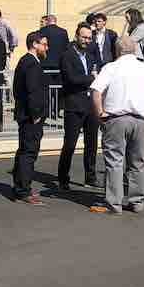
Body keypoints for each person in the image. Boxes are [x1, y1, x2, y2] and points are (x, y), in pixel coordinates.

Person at [90, 36, 144, 214]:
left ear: (117, 50)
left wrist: (100, 113)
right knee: (138, 162)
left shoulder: (110, 68)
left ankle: (114, 203)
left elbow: (96, 91)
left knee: (114, 162)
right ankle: (137, 201)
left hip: (116, 119)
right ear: (134, 50)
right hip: (140, 120)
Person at [57, 23, 99, 190]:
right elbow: (71, 79)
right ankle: (63, 178)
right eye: (84, 37)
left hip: (90, 106)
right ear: (76, 36)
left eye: (89, 38)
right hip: (74, 106)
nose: (87, 40)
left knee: (92, 144)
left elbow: (94, 75)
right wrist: (91, 78)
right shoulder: (67, 56)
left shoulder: (90, 56)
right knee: (70, 144)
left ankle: (90, 177)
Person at [11, 32, 49, 205]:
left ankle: (19, 186)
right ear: (35, 44)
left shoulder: (25, 61)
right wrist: (36, 115)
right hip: (30, 117)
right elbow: (33, 91)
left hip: (24, 114)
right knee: (29, 152)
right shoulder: (32, 64)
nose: (46, 48)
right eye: (44, 44)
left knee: (23, 151)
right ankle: (23, 190)